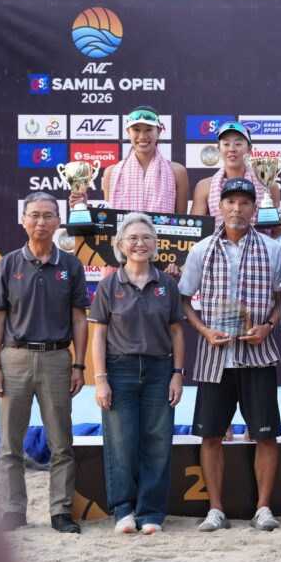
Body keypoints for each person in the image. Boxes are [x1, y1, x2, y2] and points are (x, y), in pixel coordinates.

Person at [179, 177, 281, 532]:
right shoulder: (201, 250)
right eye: (230, 202)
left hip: (258, 355)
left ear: (254, 209)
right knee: (211, 436)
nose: (236, 209)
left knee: (265, 435)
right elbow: (184, 300)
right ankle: (216, 510)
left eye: (244, 203)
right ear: (219, 207)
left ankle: (263, 508)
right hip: (216, 358)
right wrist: (204, 330)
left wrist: (268, 326)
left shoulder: (271, 249)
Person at [0, 191, 89, 534]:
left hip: (57, 359)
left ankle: (60, 511)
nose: (41, 222)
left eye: (48, 215)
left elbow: (79, 319)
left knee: (61, 443)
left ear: (58, 222)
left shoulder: (71, 266)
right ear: (23, 220)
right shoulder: (7, 264)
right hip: (13, 359)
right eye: (34, 215)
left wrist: (79, 366)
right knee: (10, 444)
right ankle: (14, 509)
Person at [88, 212, 185, 535]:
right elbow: (99, 335)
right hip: (119, 370)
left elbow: (177, 332)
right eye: (132, 238)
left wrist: (177, 373)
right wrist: (100, 379)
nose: (140, 243)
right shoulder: (108, 285)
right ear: (121, 246)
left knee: (158, 441)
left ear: (156, 245)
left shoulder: (167, 284)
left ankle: (151, 512)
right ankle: (124, 511)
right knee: (121, 442)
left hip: (160, 371)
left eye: (146, 238)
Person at [69, 106, 190, 215]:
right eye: (136, 130)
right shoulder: (111, 173)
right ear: (128, 132)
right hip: (123, 234)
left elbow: (181, 223)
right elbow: (107, 221)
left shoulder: (177, 172)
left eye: (149, 129)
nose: (142, 136)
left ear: (158, 132)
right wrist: (82, 207)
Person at [190, 120, 281, 239]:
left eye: (238, 144)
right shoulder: (205, 186)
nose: (232, 149)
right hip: (218, 249)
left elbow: (271, 234)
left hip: (258, 250)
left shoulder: (268, 185)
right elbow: (195, 232)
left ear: (249, 149)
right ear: (219, 149)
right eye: (226, 144)